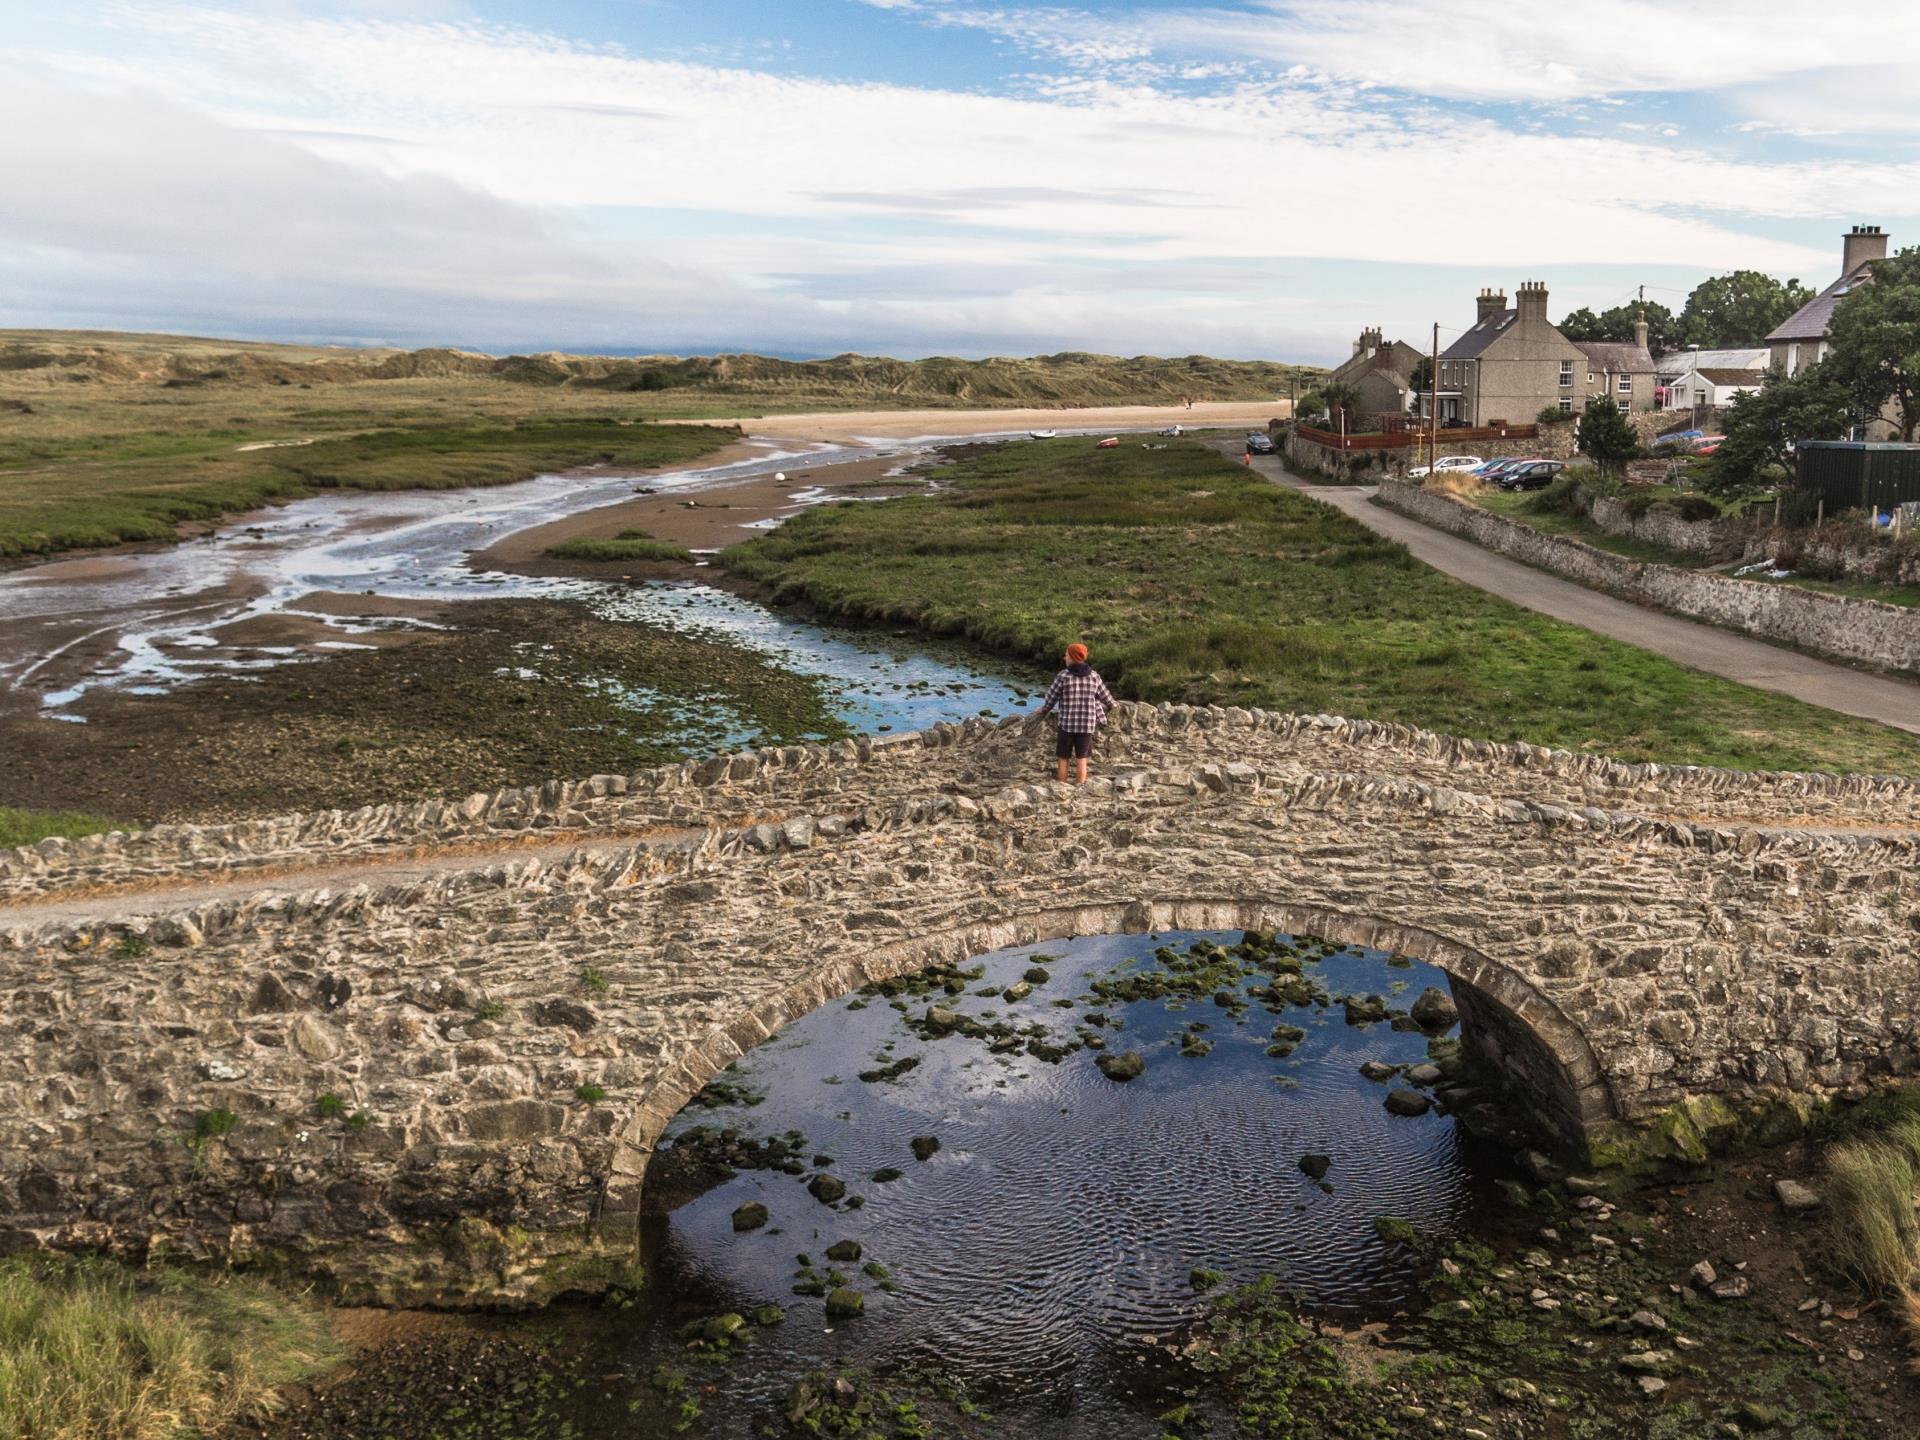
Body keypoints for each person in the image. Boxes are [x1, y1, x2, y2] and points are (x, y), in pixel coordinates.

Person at [1037, 643, 1117, 785]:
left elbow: (1051, 698)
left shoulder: (1063, 676)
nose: (1064, 657)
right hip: (1087, 724)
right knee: (1082, 759)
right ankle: (1080, 787)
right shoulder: (1094, 676)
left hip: (1067, 724)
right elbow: (1106, 696)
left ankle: (1062, 786)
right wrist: (1114, 705)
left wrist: (1044, 710)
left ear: (1072, 657)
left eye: (1067, 655)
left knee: (1063, 757)